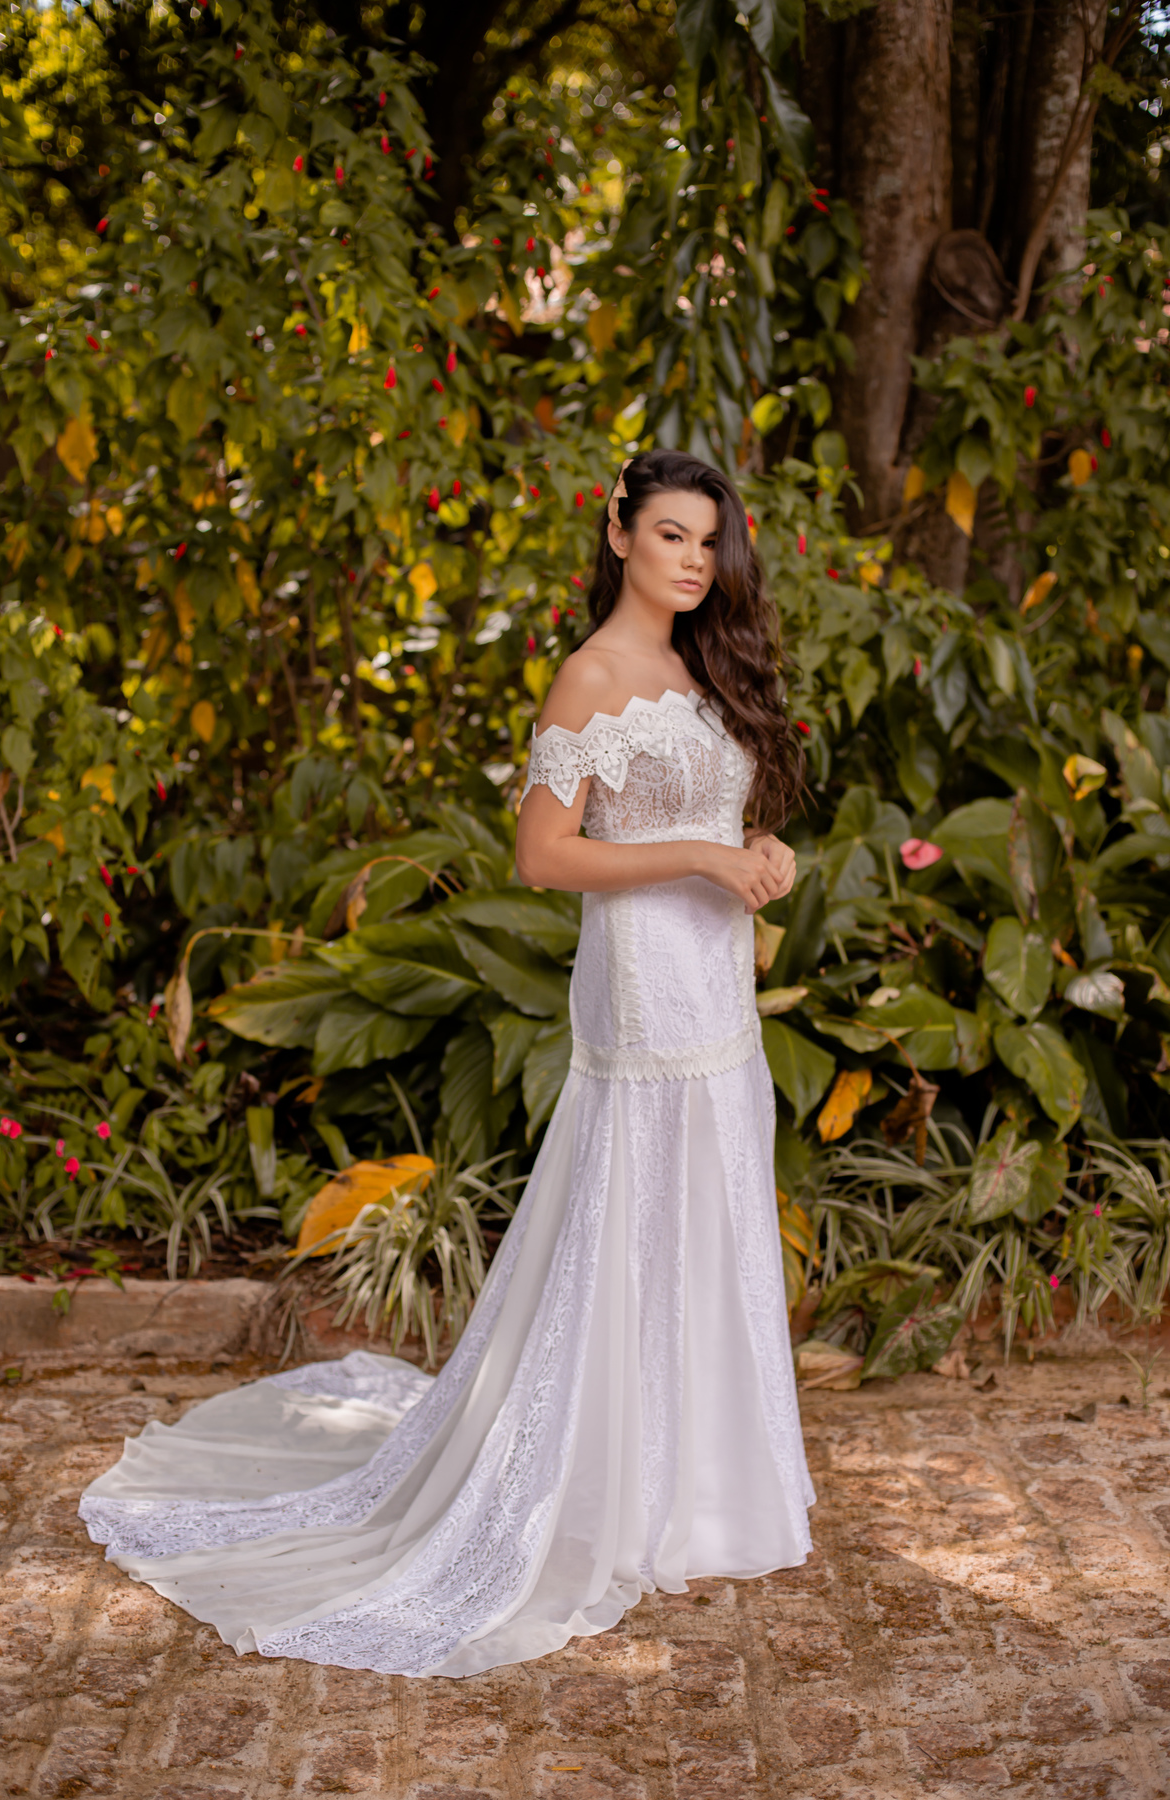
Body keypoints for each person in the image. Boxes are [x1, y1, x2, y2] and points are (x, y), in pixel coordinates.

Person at [79, 447, 815, 1678]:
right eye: (672, 535)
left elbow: (715, 816)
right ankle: (597, 1487)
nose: (693, 560)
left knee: (712, 1203)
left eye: (709, 541)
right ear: (619, 531)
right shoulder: (586, 679)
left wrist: (756, 849)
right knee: (633, 1209)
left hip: (715, 974)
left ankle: (706, 1487)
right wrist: (696, 857)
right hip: (640, 973)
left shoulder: (705, 666)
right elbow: (545, 858)